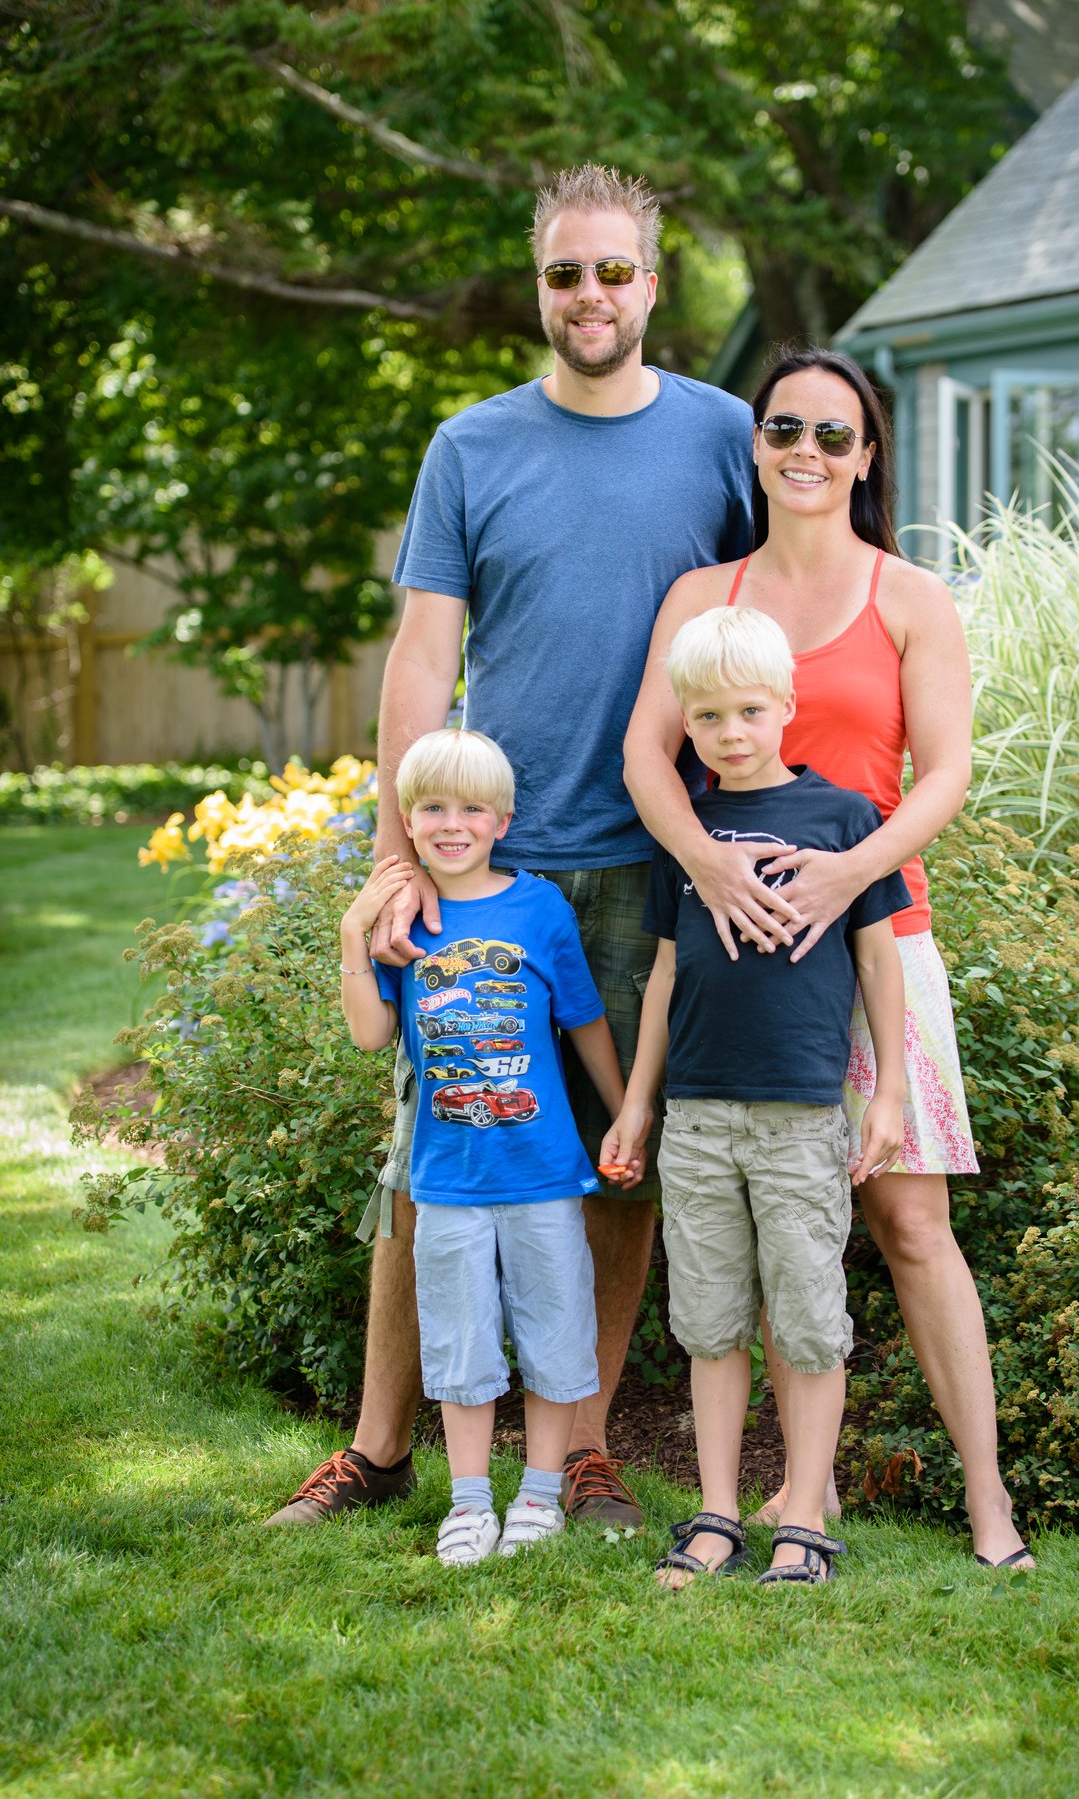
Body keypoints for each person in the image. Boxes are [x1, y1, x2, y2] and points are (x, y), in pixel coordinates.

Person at [266, 163, 753, 1528]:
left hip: (658, 854)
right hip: (488, 855)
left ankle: (580, 1449)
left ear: (653, 284)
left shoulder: (724, 438)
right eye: (562, 273)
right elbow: (423, 658)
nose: (588, 294)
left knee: (614, 1159)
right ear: (538, 287)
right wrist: (394, 857)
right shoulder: (470, 447)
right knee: (429, 1153)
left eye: (612, 271)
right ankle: (376, 1450)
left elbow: (769, 630)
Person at [622, 347, 1034, 1570]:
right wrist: (704, 863)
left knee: (910, 1225)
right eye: (782, 427)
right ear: (756, 443)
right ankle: (803, 1494)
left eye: (832, 435)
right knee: (756, 1226)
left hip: (875, 946)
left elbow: (947, 770)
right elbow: (650, 757)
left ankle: (986, 1497)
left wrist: (854, 871)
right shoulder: (704, 592)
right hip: (738, 957)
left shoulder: (909, 596)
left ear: (865, 457)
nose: (805, 451)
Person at [604, 607, 910, 1587]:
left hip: (797, 1112)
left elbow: (877, 959)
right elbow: (662, 976)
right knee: (707, 1319)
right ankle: (717, 1514)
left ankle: (804, 1520)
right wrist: (637, 1103)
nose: (728, 732)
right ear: (683, 725)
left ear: (784, 704)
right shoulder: (684, 833)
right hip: (696, 1113)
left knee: (811, 1317)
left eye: (746, 710)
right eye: (705, 717)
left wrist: (891, 1092)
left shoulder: (841, 820)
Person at [338, 728, 627, 1563]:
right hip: (447, 1179)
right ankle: (469, 1504)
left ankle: (538, 1492)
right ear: (408, 817)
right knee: (461, 1342)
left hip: (543, 1174)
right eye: (432, 807)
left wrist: (622, 1115)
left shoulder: (539, 908)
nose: (451, 823)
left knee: (553, 1331)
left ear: (503, 820)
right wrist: (353, 934)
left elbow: (583, 1020)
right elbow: (369, 1035)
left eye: (471, 807)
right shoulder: (403, 917)